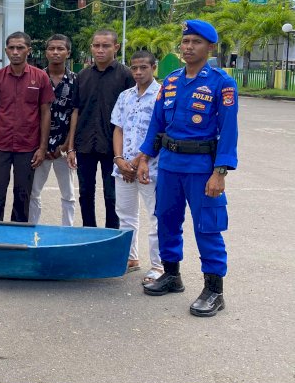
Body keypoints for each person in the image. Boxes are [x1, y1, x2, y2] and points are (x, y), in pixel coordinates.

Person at [137, 19, 238, 317]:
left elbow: (229, 131)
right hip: (169, 164)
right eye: (185, 42)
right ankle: (171, 274)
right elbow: (157, 123)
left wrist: (220, 172)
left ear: (209, 47)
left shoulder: (221, 83)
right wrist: (145, 156)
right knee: (166, 220)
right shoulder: (170, 81)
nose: (189, 47)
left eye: (196, 42)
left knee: (207, 226)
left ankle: (214, 290)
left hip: (201, 166)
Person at [0, 32, 55, 222]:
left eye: (20, 48)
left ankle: (17, 238)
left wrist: (42, 147)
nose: (15, 52)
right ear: (6, 51)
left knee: (23, 196)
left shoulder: (40, 78)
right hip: (0, 146)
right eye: (11, 48)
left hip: (28, 147)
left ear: (28, 51)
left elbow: (46, 112)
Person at [66, 29, 134, 228]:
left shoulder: (126, 76)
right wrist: (71, 147)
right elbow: (75, 111)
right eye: (96, 46)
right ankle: (89, 232)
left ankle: (111, 234)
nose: (100, 50)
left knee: (112, 195)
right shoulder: (82, 76)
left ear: (116, 47)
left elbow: (130, 115)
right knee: (85, 192)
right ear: (91, 48)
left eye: (106, 46)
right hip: (85, 144)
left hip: (113, 147)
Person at [111, 50, 162, 282]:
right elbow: (118, 129)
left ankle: (159, 266)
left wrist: (139, 159)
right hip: (123, 168)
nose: (139, 72)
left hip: (150, 167)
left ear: (154, 67)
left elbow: (161, 133)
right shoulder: (125, 96)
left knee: (155, 216)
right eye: (134, 68)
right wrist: (120, 160)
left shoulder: (162, 95)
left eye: (144, 67)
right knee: (125, 215)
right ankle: (131, 258)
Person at [28, 34, 77, 225]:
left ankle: (68, 231)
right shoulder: (36, 78)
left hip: (64, 147)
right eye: (52, 49)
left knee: (68, 194)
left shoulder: (75, 80)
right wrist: (40, 146)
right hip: (38, 147)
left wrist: (66, 144)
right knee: (34, 192)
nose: (56, 52)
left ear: (68, 53)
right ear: (45, 52)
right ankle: (33, 229)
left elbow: (75, 113)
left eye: (60, 49)